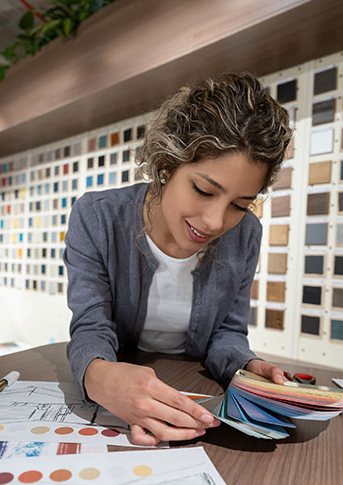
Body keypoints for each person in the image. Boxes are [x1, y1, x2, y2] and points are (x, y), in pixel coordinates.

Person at [64, 72, 292, 445]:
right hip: (124, 373)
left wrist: (247, 367)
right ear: (167, 165)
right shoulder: (97, 217)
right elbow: (91, 326)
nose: (216, 222)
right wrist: (99, 376)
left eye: (239, 204)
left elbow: (227, 334)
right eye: (203, 190)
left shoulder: (246, 233)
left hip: (197, 385)